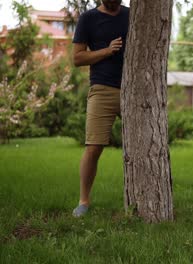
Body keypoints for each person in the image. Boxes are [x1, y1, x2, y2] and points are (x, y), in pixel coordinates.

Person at [71, 0, 129, 217]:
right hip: (102, 89)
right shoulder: (88, 18)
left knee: (143, 147)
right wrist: (107, 50)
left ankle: (141, 199)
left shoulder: (132, 16)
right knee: (93, 147)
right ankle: (83, 201)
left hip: (134, 91)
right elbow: (77, 58)